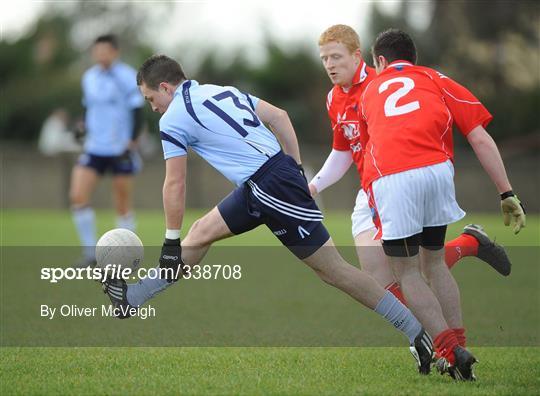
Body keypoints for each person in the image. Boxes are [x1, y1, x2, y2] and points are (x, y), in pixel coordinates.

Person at [102, 54, 435, 374]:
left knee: (333, 270)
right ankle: (133, 298)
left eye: (150, 98)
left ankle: (416, 331)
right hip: (264, 182)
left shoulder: (172, 117)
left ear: (165, 88)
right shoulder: (221, 90)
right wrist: (296, 167)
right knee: (202, 232)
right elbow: (280, 117)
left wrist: (170, 240)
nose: (153, 107)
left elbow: (174, 182)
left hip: (269, 186)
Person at [359, 28, 526, 381]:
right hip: (437, 171)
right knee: (434, 264)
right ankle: (460, 349)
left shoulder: (369, 90)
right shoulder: (436, 78)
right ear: (413, 59)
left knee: (406, 273)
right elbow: (479, 135)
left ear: (381, 62)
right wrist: (506, 192)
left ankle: (449, 351)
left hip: (393, 177)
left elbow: (369, 147)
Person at [309, 25, 512, 310]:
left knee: (411, 270)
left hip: (396, 182)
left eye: (336, 57)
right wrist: (315, 185)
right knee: (390, 275)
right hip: (372, 190)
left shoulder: (379, 84)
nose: (329, 65)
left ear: (357, 56)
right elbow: (343, 151)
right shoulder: (333, 98)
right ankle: (468, 245)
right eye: (324, 59)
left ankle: (434, 343)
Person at [70, 34, 145, 267]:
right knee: (77, 196)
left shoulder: (127, 76)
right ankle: (91, 253)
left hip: (119, 148)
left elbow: (137, 111)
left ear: (115, 52)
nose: (100, 55)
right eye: (97, 50)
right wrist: (81, 126)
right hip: (94, 148)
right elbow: (88, 108)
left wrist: (132, 141)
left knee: (122, 202)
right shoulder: (89, 77)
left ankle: (126, 256)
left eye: (105, 50)